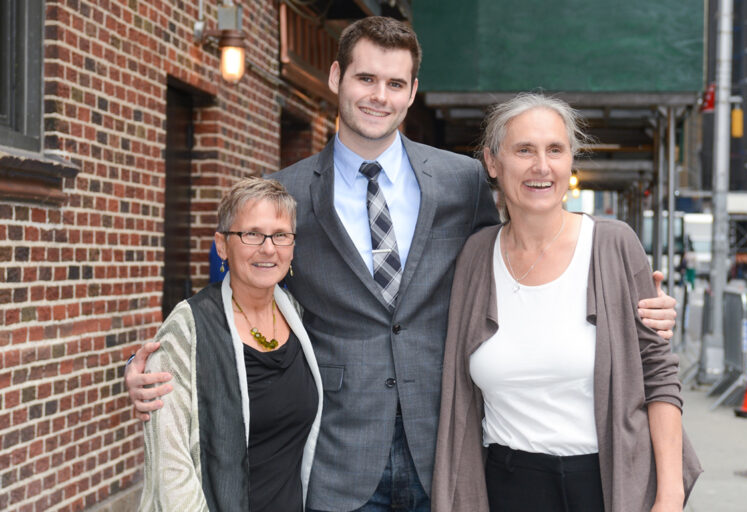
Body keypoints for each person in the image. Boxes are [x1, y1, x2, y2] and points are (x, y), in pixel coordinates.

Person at [126, 17, 678, 511]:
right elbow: (242, 294)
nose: (379, 96)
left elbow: (517, 267)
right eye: (366, 79)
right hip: (339, 458)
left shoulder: (461, 182)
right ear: (337, 77)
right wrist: (169, 367)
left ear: (412, 92)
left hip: (446, 447)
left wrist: (629, 302)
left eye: (395, 84)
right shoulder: (289, 192)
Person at [432, 94, 701, 512]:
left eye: (555, 150)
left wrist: (669, 495)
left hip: (605, 485)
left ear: (569, 161)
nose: (542, 166)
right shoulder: (475, 256)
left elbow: (659, 375)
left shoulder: (613, 245)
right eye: (524, 150)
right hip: (505, 485)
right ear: (492, 162)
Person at [138, 177, 323, 511]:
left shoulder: (299, 317)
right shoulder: (187, 328)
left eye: (280, 235)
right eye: (251, 234)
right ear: (222, 245)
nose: (268, 248)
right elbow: (170, 465)